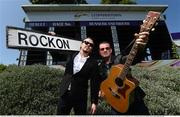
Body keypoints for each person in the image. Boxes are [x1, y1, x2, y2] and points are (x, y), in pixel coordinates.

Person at [98, 32, 150, 115]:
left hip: (134, 100)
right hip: (115, 102)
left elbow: (134, 58)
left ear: (111, 50)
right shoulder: (100, 67)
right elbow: (101, 82)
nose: (105, 50)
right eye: (102, 49)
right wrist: (101, 91)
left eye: (107, 48)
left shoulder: (119, 59)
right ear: (99, 52)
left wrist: (141, 47)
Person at [57, 37, 99, 115]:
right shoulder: (70, 56)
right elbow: (57, 56)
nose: (88, 45)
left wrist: (94, 102)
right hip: (65, 94)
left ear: (92, 49)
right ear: (81, 44)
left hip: (80, 97)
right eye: (86, 42)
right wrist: (52, 37)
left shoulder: (93, 63)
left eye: (91, 45)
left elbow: (94, 83)